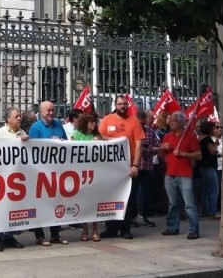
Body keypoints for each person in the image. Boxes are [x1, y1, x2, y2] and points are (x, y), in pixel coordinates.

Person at [97, 95, 144, 240]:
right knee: (110, 198)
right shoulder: (107, 120)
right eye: (119, 104)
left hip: (128, 168)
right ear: (115, 105)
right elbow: (99, 137)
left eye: (124, 104)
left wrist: (135, 165)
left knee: (128, 200)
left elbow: (139, 146)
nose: (122, 106)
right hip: (109, 169)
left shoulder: (135, 122)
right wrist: (116, 140)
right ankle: (111, 228)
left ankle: (126, 229)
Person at [28, 101, 69, 246]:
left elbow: (66, 144)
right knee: (39, 204)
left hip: (57, 172)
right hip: (40, 172)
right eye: (48, 111)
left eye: (53, 110)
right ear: (41, 112)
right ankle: (39, 236)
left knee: (55, 203)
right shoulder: (35, 127)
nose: (51, 113)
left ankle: (55, 234)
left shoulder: (58, 125)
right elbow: (33, 149)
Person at [158, 111, 202, 239]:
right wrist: (162, 148)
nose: (171, 122)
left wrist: (183, 154)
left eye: (174, 120)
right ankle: (172, 227)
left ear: (182, 122)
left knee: (189, 204)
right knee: (172, 203)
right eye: (170, 120)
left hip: (185, 175)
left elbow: (199, 155)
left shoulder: (190, 137)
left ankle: (194, 230)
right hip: (169, 175)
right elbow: (160, 156)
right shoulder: (167, 136)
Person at [0, 107, 29, 251]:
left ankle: (9, 236)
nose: (19, 118)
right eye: (16, 116)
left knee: (13, 207)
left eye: (20, 116)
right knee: (0, 207)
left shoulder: (23, 132)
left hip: (17, 178)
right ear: (8, 119)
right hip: (1, 177)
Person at [71, 111, 101, 242]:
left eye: (95, 122)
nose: (94, 124)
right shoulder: (77, 135)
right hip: (81, 173)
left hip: (94, 173)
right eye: (91, 122)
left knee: (94, 203)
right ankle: (84, 229)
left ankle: (95, 230)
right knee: (83, 203)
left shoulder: (96, 136)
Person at [137, 110, 160, 227]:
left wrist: (151, 149)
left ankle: (147, 215)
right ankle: (132, 217)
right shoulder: (133, 132)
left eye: (143, 123)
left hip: (147, 166)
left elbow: (158, 147)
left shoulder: (151, 132)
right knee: (134, 193)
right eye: (139, 123)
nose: (141, 125)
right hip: (135, 167)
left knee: (147, 193)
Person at [197, 121, 220, 220]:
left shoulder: (200, 139)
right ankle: (213, 211)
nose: (216, 130)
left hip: (202, 166)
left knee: (205, 189)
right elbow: (212, 152)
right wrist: (216, 145)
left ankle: (204, 210)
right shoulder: (208, 139)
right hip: (209, 167)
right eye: (215, 128)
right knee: (214, 189)